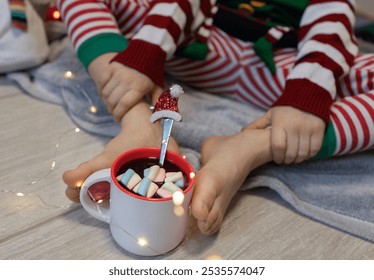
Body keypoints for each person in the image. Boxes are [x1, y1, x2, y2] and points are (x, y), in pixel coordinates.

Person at [57, 0, 374, 235]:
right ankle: (139, 121)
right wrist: (145, 53)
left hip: (286, 58)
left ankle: (252, 146)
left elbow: (332, 16)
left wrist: (307, 92)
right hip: (197, 37)